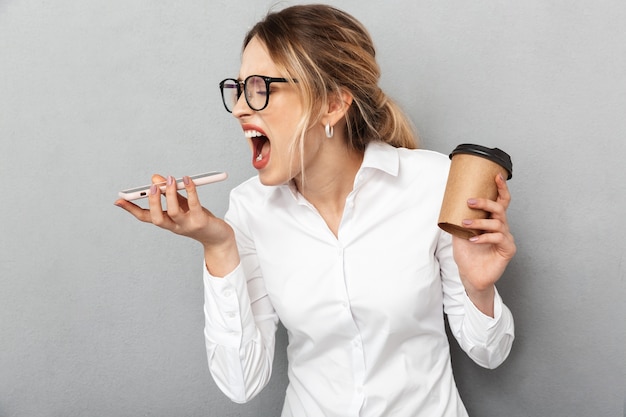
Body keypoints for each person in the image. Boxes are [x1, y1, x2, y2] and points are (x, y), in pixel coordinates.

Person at [115, 4, 515, 416]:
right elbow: (241, 383)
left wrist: (478, 288)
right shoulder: (250, 210)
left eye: (260, 87)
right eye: (238, 89)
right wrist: (218, 246)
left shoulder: (433, 183)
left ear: (332, 105)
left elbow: (490, 352)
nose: (238, 109)